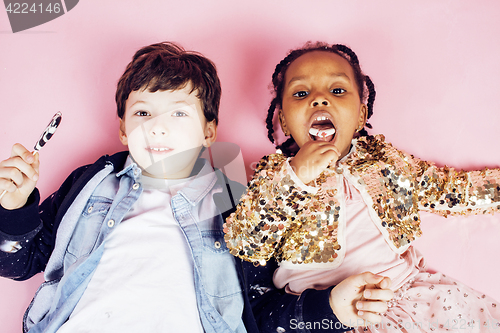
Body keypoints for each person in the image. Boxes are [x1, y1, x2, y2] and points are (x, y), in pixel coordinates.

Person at [0, 41, 393, 333]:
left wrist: (332, 310)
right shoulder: (93, 181)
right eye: (142, 112)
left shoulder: (231, 189)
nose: (157, 125)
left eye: (178, 112)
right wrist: (14, 207)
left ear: (209, 131)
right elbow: (19, 264)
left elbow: (258, 310)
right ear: (122, 128)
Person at [224, 42, 500, 332]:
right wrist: (295, 177)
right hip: (326, 318)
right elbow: (246, 241)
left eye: (338, 91)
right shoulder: (272, 175)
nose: (319, 100)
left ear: (360, 116)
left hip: (406, 296)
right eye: (301, 93)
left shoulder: (385, 162)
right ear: (284, 120)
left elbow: (449, 189)